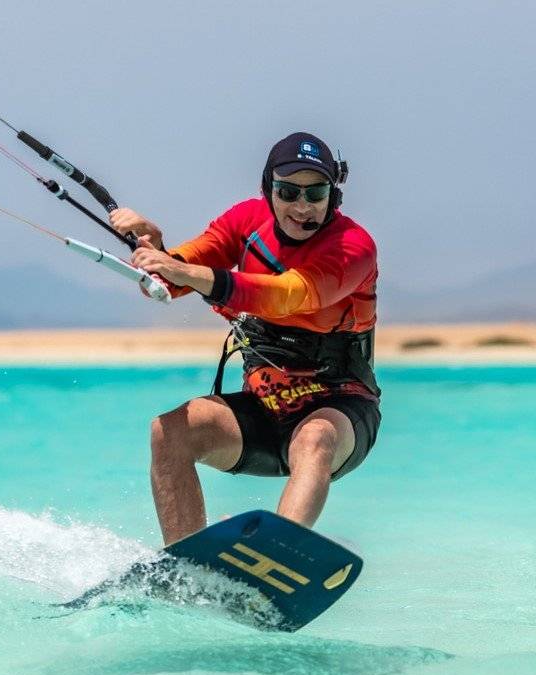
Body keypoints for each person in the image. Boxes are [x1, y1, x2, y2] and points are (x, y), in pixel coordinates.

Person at [108, 132, 380, 545]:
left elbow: (284, 296)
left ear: (333, 196)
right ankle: (187, 563)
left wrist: (179, 271)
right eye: (288, 192)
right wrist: (156, 247)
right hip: (264, 411)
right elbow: (172, 278)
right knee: (170, 431)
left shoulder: (352, 247)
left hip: (340, 412)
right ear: (268, 190)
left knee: (314, 438)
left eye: (316, 193)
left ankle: (276, 556)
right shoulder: (245, 221)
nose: (302, 207)